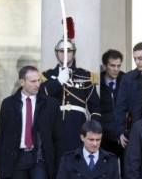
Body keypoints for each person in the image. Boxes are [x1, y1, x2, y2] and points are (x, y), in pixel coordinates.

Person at [40, 17, 101, 155]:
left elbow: (95, 108)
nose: (65, 55)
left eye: (69, 51)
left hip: (77, 127)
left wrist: (93, 130)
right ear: (56, 53)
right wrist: (58, 82)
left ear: (74, 53)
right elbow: (41, 96)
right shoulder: (47, 76)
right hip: (54, 127)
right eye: (62, 51)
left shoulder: (86, 76)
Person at [116, 42, 142, 149]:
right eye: (135, 59)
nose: (137, 62)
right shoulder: (128, 78)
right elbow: (120, 107)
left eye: (140, 58)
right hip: (134, 130)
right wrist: (120, 131)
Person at [98, 49, 125, 159]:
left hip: (124, 137)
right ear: (104, 66)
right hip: (105, 139)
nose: (116, 69)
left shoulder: (126, 80)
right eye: (112, 66)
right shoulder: (97, 83)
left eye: (119, 66)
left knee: (127, 174)